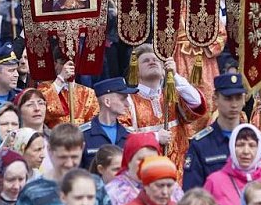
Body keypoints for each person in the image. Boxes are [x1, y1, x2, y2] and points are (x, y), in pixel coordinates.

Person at [123, 44, 207, 179]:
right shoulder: (128, 101)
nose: (152, 62)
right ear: (136, 70)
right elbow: (124, 138)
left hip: (179, 172)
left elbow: (196, 103)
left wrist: (174, 75)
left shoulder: (172, 95)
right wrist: (155, 137)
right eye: (146, 60)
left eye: (156, 60)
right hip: (146, 174)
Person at [183, 72, 251, 190]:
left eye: (238, 98)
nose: (234, 104)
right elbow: (192, 193)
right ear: (215, 99)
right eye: (228, 98)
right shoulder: (201, 144)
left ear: (244, 99)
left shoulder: (255, 139)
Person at [106, 132, 184, 205]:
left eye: (152, 159)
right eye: (141, 159)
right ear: (129, 160)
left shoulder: (171, 187)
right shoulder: (114, 191)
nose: (147, 164)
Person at [78, 77, 133, 168]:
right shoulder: (82, 134)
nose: (128, 104)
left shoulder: (129, 135)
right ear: (107, 102)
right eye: (123, 99)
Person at [38, 55, 100, 130]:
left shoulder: (88, 92)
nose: (68, 68)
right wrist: (60, 79)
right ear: (55, 64)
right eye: (63, 63)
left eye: (72, 63)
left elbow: (94, 122)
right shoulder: (44, 87)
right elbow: (42, 113)